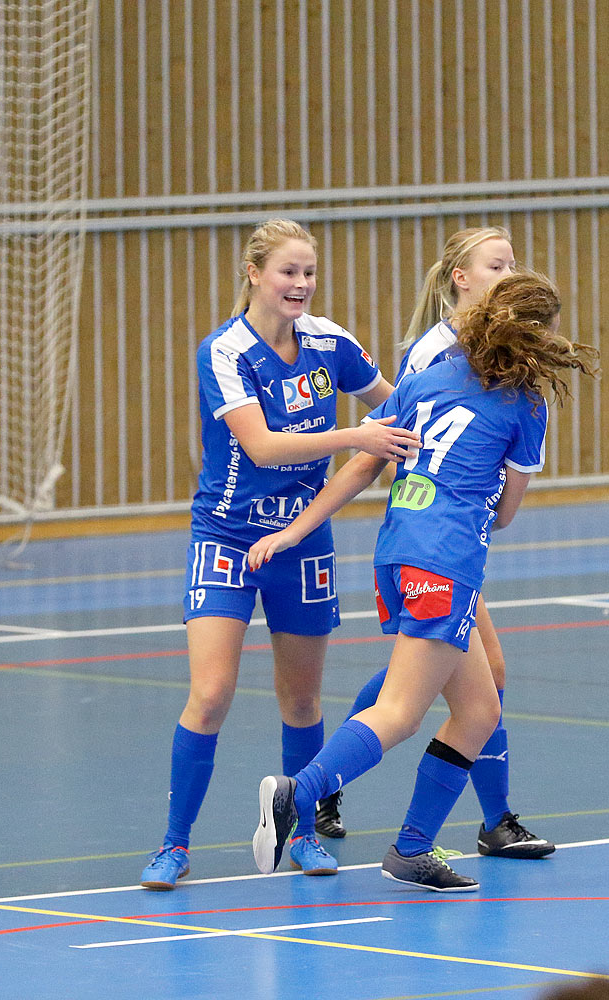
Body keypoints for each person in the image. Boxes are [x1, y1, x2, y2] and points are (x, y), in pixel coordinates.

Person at [248, 270, 598, 891]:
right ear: (535, 336)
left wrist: (296, 530)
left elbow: (364, 463)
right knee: (402, 711)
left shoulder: (427, 378)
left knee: (479, 707)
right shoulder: (525, 403)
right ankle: (298, 795)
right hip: (446, 559)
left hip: (395, 549)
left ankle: (412, 849)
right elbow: (507, 513)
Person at [139, 219, 420, 890]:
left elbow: (401, 406)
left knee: (300, 697)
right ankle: (174, 846)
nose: (300, 284)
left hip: (303, 540)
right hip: (229, 537)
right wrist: (356, 435)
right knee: (209, 694)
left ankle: (300, 834)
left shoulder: (331, 343)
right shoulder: (226, 352)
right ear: (254, 274)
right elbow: (262, 447)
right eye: (288, 271)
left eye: (309, 273)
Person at [313, 226, 555, 861]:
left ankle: (487, 818)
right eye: (496, 265)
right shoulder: (435, 358)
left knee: (470, 678)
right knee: (422, 691)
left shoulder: (503, 356)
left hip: (442, 537)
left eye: (513, 265)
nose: (509, 274)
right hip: (437, 537)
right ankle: (323, 784)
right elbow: (397, 450)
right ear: (462, 279)